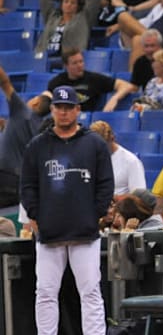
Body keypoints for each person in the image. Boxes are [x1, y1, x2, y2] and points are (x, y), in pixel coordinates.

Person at [20, 85, 114, 335]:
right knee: (45, 292)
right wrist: (35, 215)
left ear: (78, 110)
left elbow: (105, 183)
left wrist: (95, 214)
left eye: (68, 107)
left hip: (84, 231)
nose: (63, 112)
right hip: (49, 232)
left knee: (91, 292)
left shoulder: (94, 144)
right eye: (59, 107)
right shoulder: (37, 146)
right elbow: (27, 185)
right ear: (51, 110)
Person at [0, 64, 52, 208]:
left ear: (36, 102)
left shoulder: (22, 111)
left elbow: (4, 82)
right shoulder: (40, 126)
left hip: (4, 176)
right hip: (19, 183)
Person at [47, 49, 138, 112]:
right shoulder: (58, 81)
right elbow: (48, 95)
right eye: (75, 63)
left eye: (81, 61)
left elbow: (127, 86)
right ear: (66, 66)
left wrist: (114, 99)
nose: (79, 65)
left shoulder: (93, 79)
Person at [36, 0, 101, 62]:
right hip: (43, 58)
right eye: (66, 1)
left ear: (78, 6)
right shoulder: (52, 17)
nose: (69, 4)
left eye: (73, 3)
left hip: (68, 61)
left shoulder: (84, 18)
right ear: (61, 4)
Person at [89, 120, 146, 196]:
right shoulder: (87, 157)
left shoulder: (131, 161)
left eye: (103, 146)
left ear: (112, 139)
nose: (99, 150)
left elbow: (138, 197)